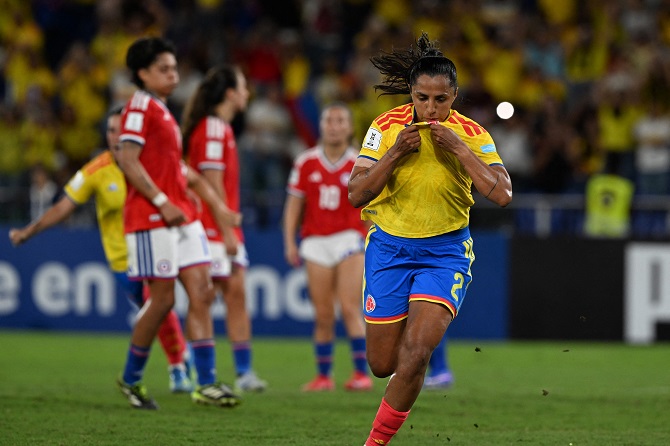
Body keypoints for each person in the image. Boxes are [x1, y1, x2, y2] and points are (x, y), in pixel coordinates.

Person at [348, 33, 512, 445]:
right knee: (382, 364)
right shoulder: (386, 127)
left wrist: (460, 149)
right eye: (422, 98)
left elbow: (502, 194)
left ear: (454, 95)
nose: (431, 108)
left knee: (417, 352)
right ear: (411, 93)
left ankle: (374, 442)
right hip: (389, 249)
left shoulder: (471, 133)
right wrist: (394, 154)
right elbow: (356, 193)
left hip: (445, 253)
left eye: (441, 99)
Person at [9, 107, 194, 394]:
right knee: (155, 310)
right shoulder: (96, 170)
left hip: (156, 244)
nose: (115, 136)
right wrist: (28, 231)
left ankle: (177, 366)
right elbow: (63, 207)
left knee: (158, 302)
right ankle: (180, 353)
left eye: (120, 129)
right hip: (122, 261)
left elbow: (186, 184)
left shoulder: (153, 162)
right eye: (110, 130)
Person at [114, 37, 241, 409]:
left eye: (174, 67)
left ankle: (207, 383)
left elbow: (175, 169)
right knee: (163, 299)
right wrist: (161, 200)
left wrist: (210, 205)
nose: (174, 74)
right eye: (164, 69)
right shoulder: (140, 106)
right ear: (142, 73)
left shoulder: (163, 110)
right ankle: (131, 379)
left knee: (202, 292)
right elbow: (127, 158)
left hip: (183, 216)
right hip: (153, 218)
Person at [182, 65, 268, 393]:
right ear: (230, 94)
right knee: (206, 299)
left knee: (233, 296)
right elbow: (212, 180)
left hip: (216, 226)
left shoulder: (217, 127)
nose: (247, 93)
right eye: (243, 87)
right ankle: (195, 367)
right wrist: (227, 231)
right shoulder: (215, 128)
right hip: (211, 228)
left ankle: (241, 372)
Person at [282, 103, 373, 392]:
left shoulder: (361, 162)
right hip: (316, 241)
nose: (334, 126)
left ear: (350, 127)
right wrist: (289, 242)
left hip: (349, 239)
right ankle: (324, 376)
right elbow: (293, 205)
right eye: (329, 120)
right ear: (321, 126)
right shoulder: (305, 162)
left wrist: (371, 239)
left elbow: (372, 208)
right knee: (323, 314)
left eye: (340, 120)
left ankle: (361, 374)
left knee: (349, 307)